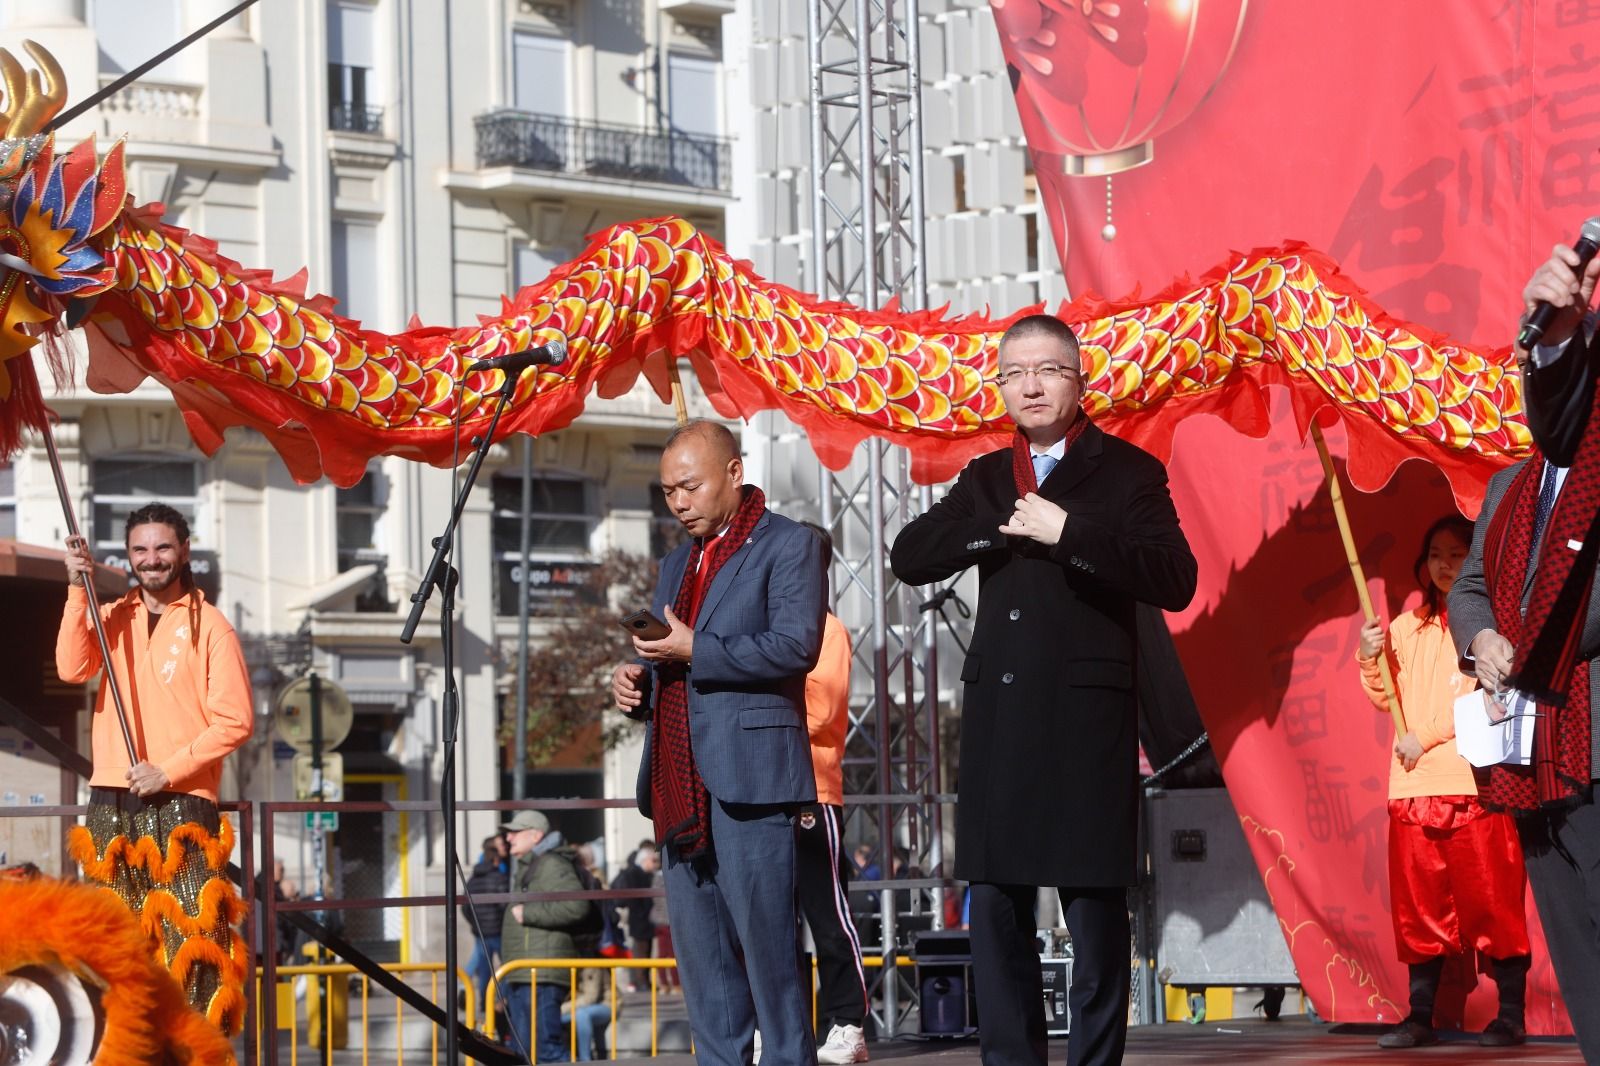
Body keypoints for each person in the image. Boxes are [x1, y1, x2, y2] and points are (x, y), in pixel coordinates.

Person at [891, 315, 1197, 1066]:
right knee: (996, 909)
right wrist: (997, 530)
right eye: (1013, 373)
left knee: (1093, 911)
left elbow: (1175, 578)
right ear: (1000, 386)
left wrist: (1072, 535)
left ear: (1079, 380)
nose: (1030, 385)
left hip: (1086, 722)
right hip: (1000, 719)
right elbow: (909, 556)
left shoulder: (1129, 471)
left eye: (1047, 369)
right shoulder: (990, 477)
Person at [611, 418, 826, 1066]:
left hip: (752, 782)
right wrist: (638, 681)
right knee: (705, 972)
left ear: (735, 472)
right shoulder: (676, 561)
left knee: (771, 965)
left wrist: (693, 647)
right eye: (668, 490)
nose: (677, 501)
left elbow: (796, 646)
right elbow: (670, 663)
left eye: (689, 486)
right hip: (681, 783)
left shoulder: (789, 545)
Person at [57, 503, 254, 1037]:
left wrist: (169, 770)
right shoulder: (111, 615)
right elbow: (72, 668)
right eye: (140, 550)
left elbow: (236, 721)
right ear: (127, 556)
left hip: (184, 803)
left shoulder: (210, 625)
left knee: (193, 949)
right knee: (113, 944)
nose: (151, 560)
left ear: (184, 551)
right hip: (111, 799)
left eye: (163, 548)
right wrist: (79, 590)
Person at [1356, 515, 1532, 1049]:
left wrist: (1424, 737)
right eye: (1437, 553)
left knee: (1493, 903)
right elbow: (1385, 697)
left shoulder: (1487, 628)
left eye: (1458, 554)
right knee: (1418, 910)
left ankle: (1512, 1016)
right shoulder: (1405, 629)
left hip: (1475, 784)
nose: (1445, 564)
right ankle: (1419, 1016)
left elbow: (1486, 700)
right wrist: (1369, 655)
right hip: (1412, 788)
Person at [795, 521, 870, 1065]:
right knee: (770, 918)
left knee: (828, 913)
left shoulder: (827, 629)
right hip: (765, 789)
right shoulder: (771, 625)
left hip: (814, 790)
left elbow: (821, 714)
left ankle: (847, 1023)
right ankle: (784, 1025)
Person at [499, 809, 597, 1063]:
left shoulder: (551, 863)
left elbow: (576, 906)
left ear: (536, 835)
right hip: (527, 971)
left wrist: (529, 913)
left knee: (547, 1050)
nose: (508, 838)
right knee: (523, 1052)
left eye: (515, 832)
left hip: (541, 973)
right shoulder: (530, 864)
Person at [464, 833, 509, 1011]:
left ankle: (484, 1003)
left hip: (480, 932)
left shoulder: (473, 880)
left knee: (484, 970)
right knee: (507, 966)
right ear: (495, 859)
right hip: (497, 931)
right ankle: (501, 998)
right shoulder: (498, 878)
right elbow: (504, 905)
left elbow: (465, 907)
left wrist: (475, 924)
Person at [610, 841, 659, 992]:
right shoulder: (635, 874)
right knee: (640, 951)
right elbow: (634, 899)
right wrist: (643, 912)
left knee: (646, 950)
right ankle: (640, 981)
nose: (656, 864)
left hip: (645, 920)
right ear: (644, 860)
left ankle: (644, 981)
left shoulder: (646, 874)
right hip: (639, 920)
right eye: (653, 860)